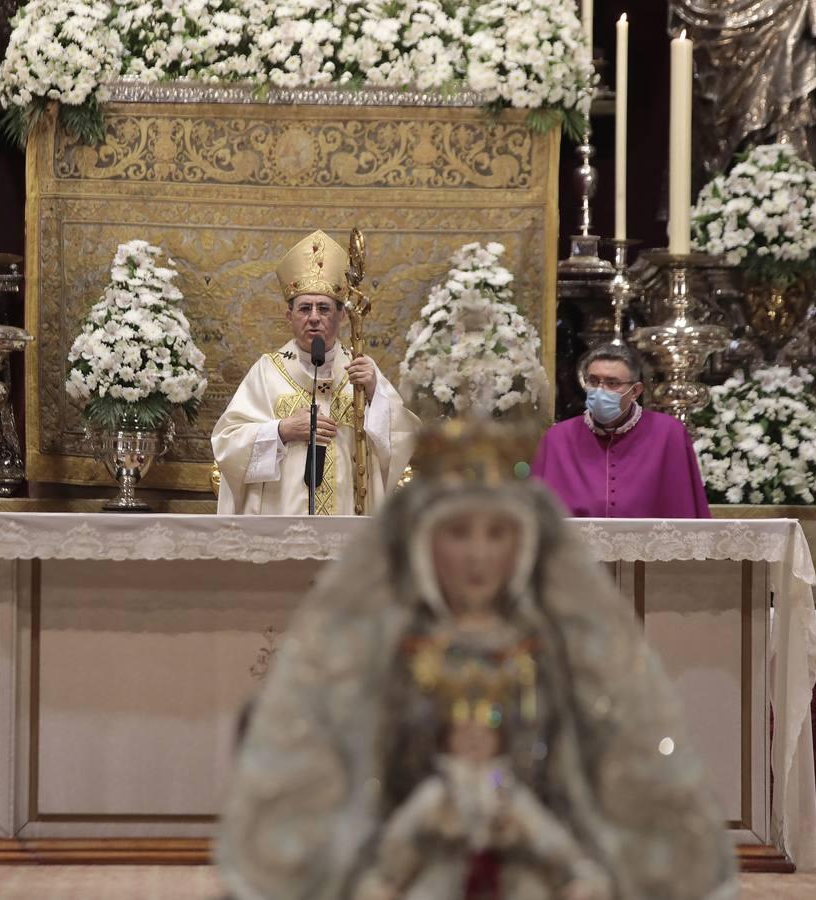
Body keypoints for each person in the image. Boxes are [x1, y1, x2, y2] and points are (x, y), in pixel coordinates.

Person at [218, 419, 736, 900]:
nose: (478, 556)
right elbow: (365, 777)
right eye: (458, 533)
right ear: (424, 541)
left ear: (525, 543)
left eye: (497, 534)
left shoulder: (547, 649)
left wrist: (546, 839)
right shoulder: (394, 651)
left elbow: (574, 776)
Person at [212, 230, 419, 515]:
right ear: (289, 317)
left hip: (348, 517)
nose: (313, 318)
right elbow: (227, 444)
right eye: (304, 308)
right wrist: (281, 431)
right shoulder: (267, 371)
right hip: (281, 517)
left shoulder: (360, 372)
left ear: (342, 315)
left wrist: (374, 394)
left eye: (323, 308)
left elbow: (403, 438)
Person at [530, 344, 710, 518]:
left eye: (612, 383)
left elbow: (686, 511)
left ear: (635, 391)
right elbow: (536, 517)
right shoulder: (558, 438)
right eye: (593, 381)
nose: (600, 390)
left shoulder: (669, 434)